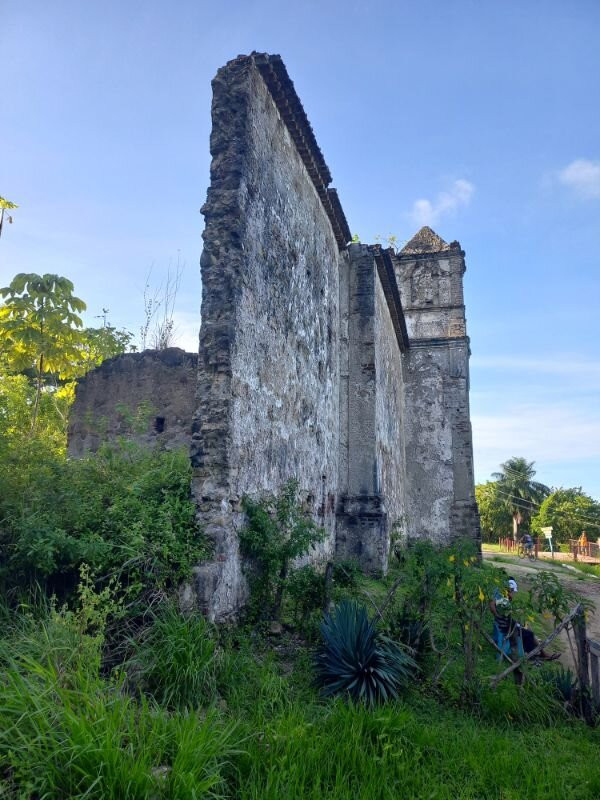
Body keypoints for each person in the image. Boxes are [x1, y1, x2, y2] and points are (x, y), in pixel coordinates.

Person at [490, 577, 559, 662]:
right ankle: (539, 654)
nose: (512, 593)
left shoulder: (504, 597)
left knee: (527, 629)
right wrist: (498, 615)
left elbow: (508, 612)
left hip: (509, 623)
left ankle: (540, 653)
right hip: (506, 626)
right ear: (509, 589)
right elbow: (492, 605)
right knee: (529, 633)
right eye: (512, 591)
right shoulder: (502, 597)